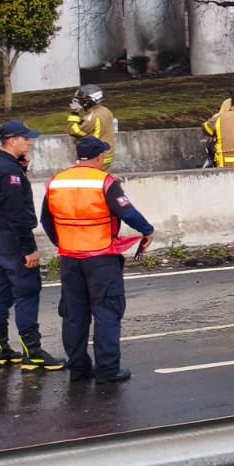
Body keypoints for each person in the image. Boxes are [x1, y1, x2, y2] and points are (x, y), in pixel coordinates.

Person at [41, 137, 154, 383]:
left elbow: (46, 220)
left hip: (70, 259)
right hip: (101, 258)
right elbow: (127, 212)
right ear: (100, 157)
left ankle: (79, 368)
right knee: (106, 312)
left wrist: (63, 242)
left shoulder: (56, 182)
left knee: (74, 314)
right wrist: (147, 230)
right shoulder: (105, 181)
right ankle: (107, 370)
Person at [0, 121, 63, 370]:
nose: (30, 142)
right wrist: (29, 248)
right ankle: (33, 352)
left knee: (0, 294)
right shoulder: (10, 173)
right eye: (26, 139)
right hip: (15, 240)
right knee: (26, 292)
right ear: (12, 140)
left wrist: (21, 168)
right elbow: (17, 212)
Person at [66, 85, 116, 166]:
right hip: (105, 155)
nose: (77, 103)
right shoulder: (106, 111)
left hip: (94, 158)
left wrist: (74, 113)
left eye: (80, 100)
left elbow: (73, 131)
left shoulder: (91, 118)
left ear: (89, 101)